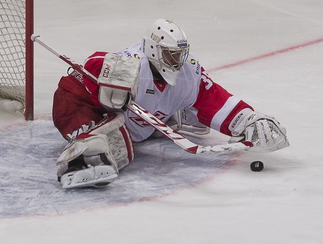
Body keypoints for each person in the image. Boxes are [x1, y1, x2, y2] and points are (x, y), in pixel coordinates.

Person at [51, 19, 289, 189]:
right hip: (88, 105)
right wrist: (112, 79)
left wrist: (248, 120)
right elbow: (90, 64)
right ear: (153, 49)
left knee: (163, 115)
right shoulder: (131, 63)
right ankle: (79, 161)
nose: (177, 61)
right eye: (170, 54)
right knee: (106, 141)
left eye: (179, 54)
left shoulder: (188, 73)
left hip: (140, 121)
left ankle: (169, 115)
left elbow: (215, 99)